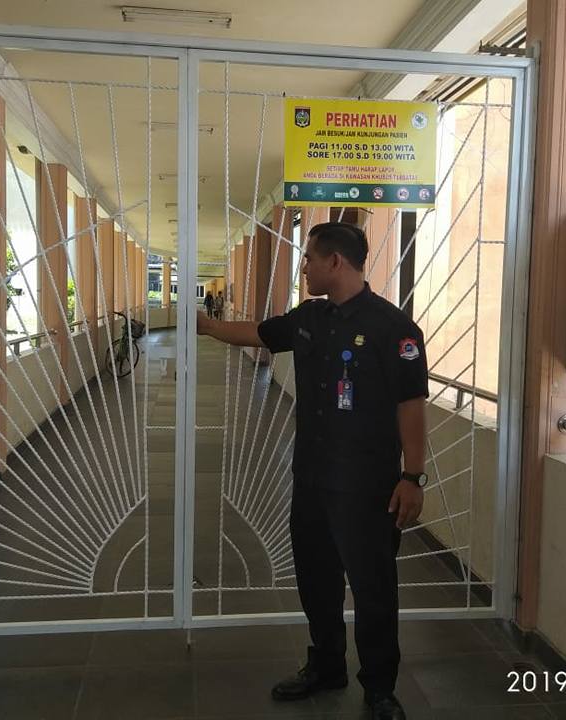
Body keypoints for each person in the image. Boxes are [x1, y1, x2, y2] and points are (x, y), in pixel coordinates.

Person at [196, 222, 429, 720]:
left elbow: (411, 406)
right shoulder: (309, 318)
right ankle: (326, 665)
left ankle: (380, 688)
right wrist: (207, 327)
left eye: (309, 259)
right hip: (312, 479)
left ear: (335, 262)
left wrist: (412, 477)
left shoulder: (394, 329)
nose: (303, 267)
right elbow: (259, 333)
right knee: (317, 581)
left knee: (373, 590)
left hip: (369, 487)